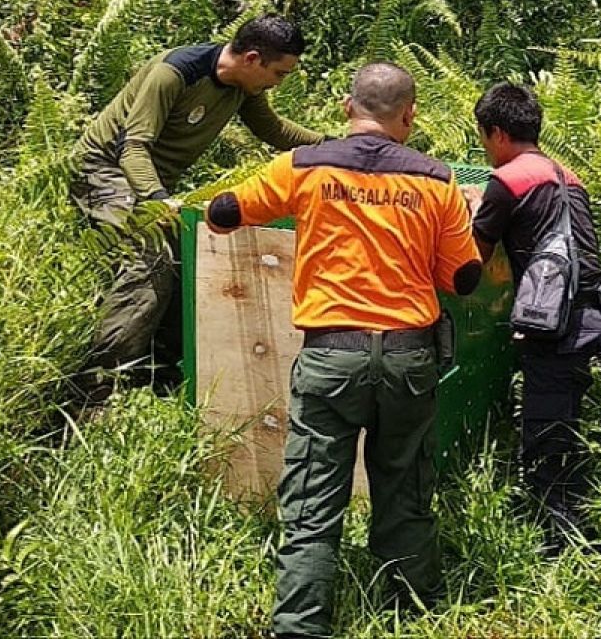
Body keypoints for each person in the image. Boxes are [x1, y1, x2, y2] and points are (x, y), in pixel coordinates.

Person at [204, 62, 481, 639]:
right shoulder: (436, 180)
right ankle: (411, 610)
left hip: (331, 357)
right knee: (404, 485)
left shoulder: (304, 165)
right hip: (409, 358)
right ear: (409, 116)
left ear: (345, 107)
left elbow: (224, 213)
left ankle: (301, 626)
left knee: (312, 499)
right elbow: (463, 278)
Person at [70, 15, 324, 400]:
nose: (279, 82)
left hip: (150, 181)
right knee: (151, 256)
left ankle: (161, 371)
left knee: (189, 255)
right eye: (280, 73)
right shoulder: (174, 74)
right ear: (252, 59)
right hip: (104, 171)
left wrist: (335, 147)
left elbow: (274, 131)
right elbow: (132, 149)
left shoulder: (245, 87)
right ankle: (96, 386)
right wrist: (156, 201)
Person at [465, 82, 601, 553]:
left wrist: (471, 216)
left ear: (497, 133)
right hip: (596, 317)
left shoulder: (508, 180)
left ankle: (560, 542)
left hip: (557, 326)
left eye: (484, 139)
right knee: (570, 424)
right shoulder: (569, 176)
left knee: (546, 432)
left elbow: (474, 257)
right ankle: (574, 518)